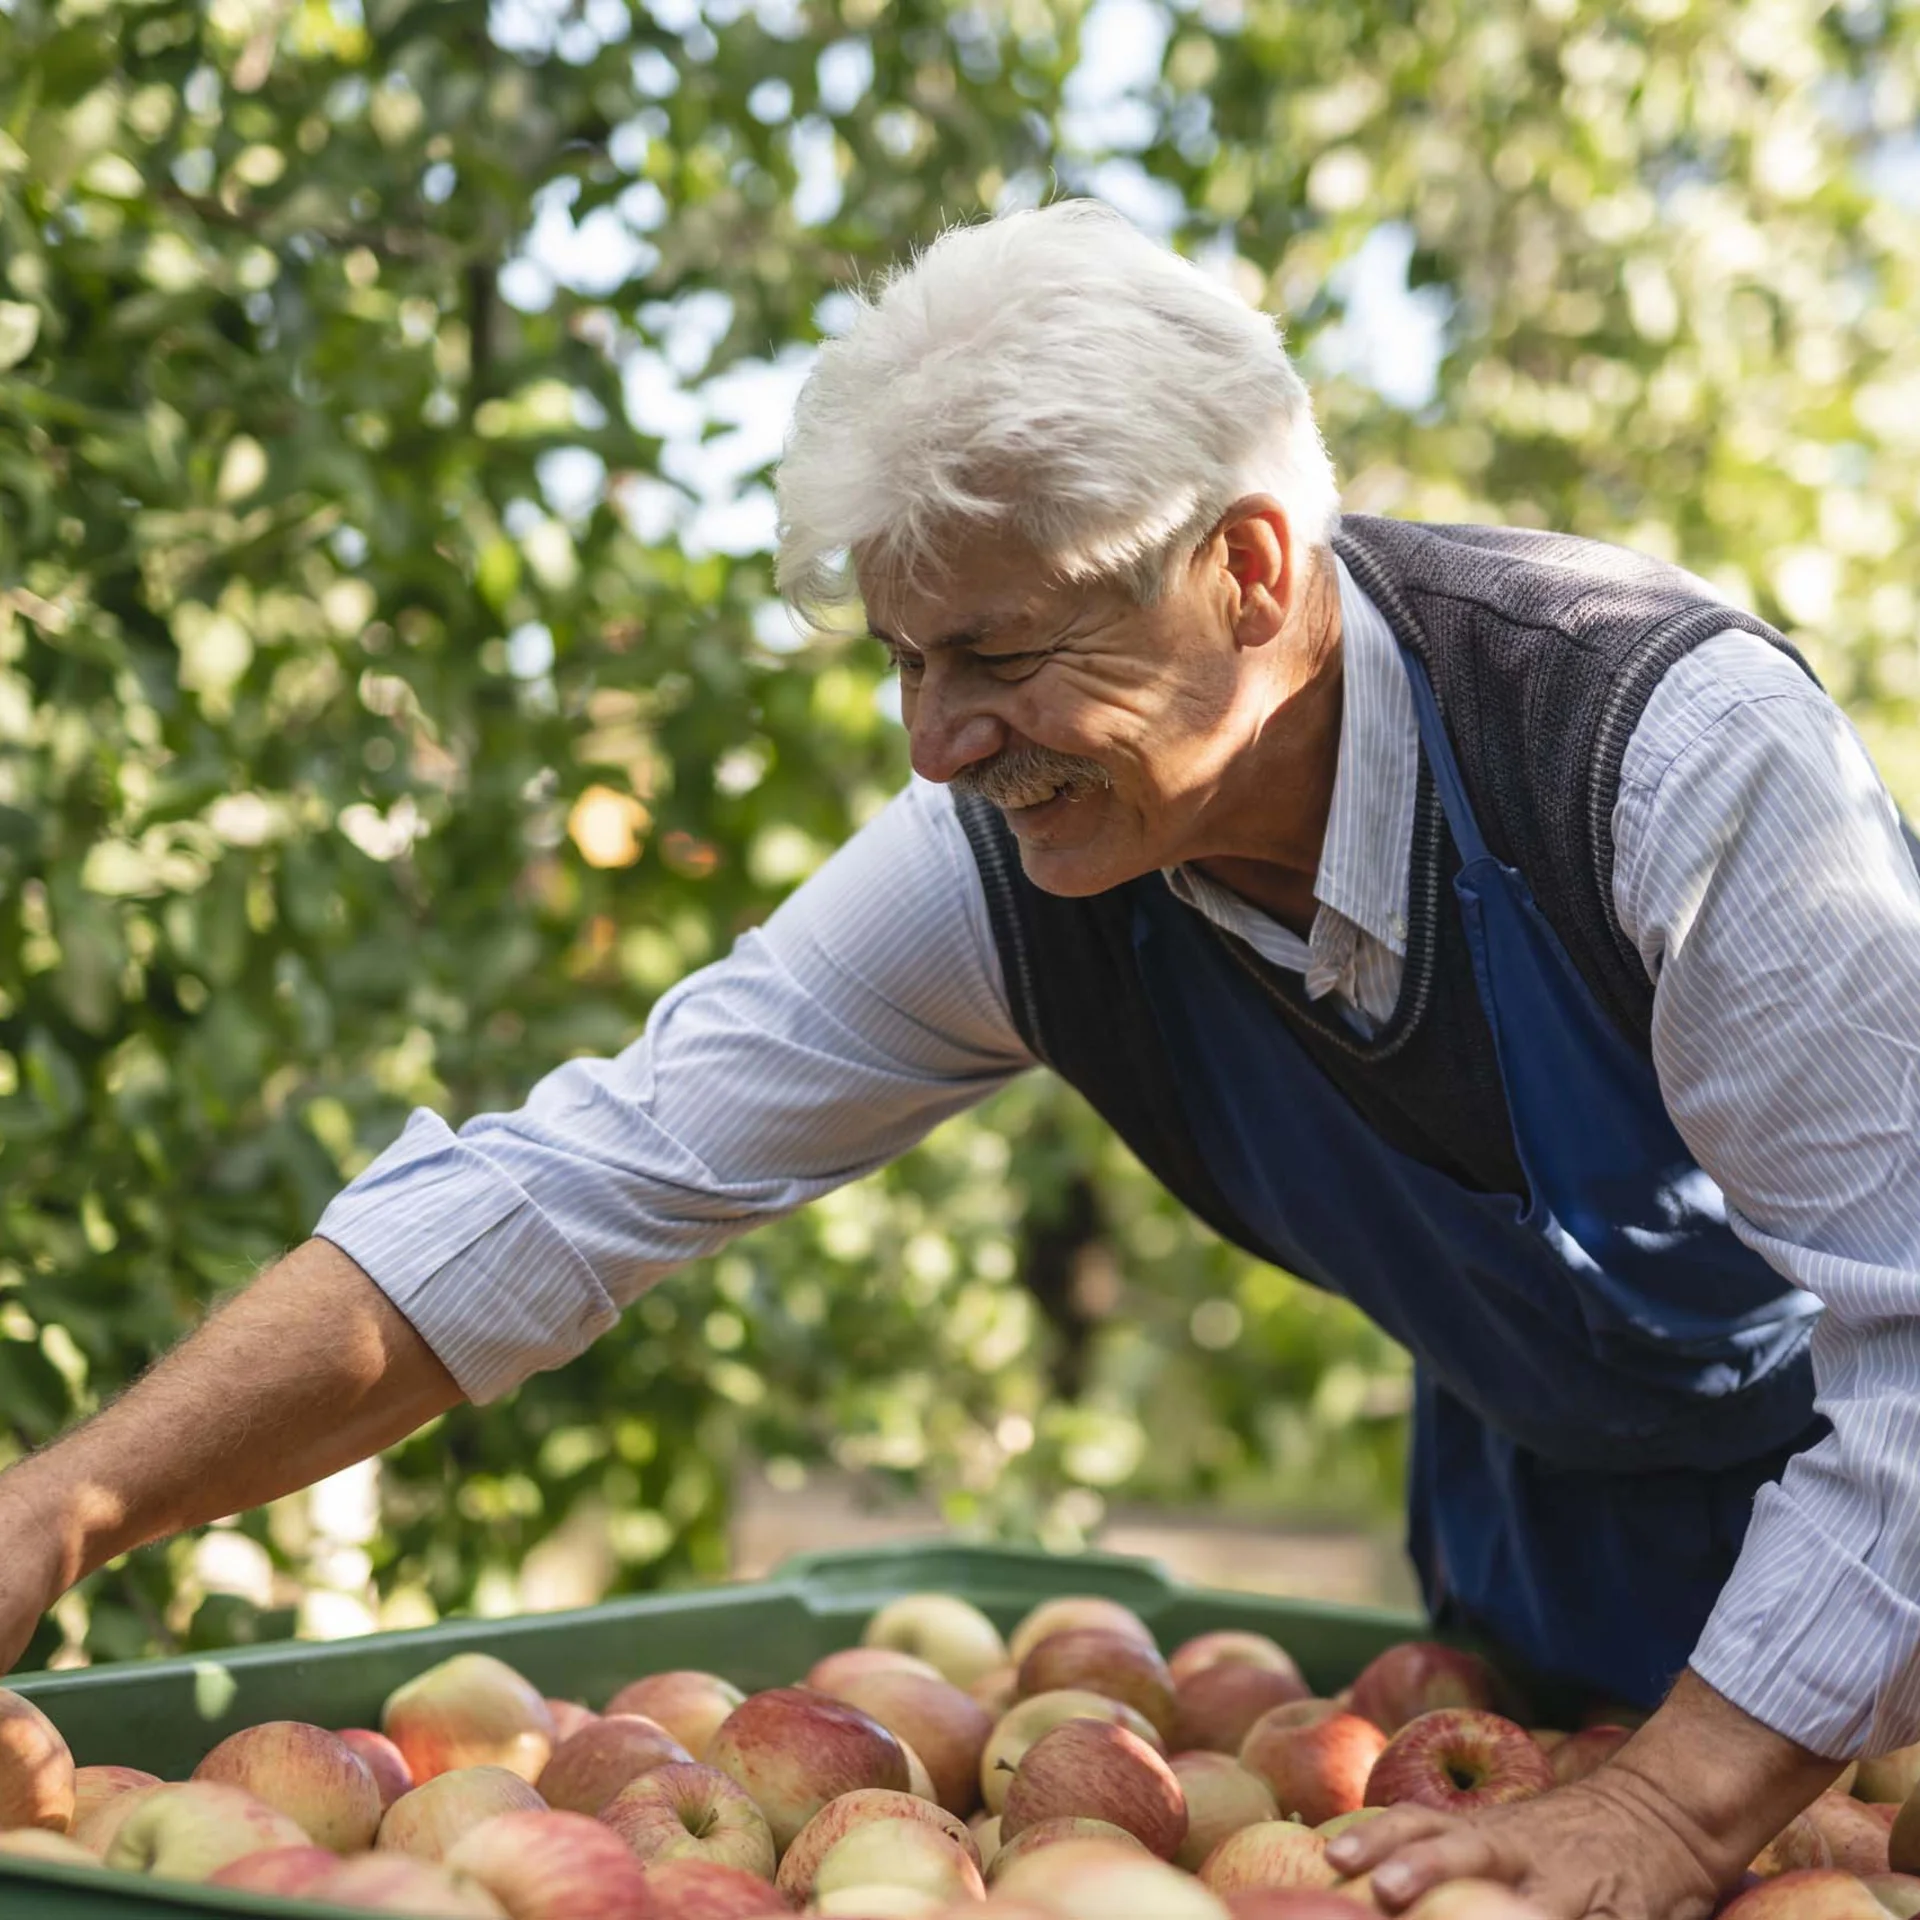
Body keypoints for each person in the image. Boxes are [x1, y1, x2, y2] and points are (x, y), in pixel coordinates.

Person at [4, 201, 1918, 1917]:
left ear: (1248, 571)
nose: (937, 742)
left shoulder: (1665, 760)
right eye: (904, 661)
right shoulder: (1014, 877)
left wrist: (1675, 1812)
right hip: (1536, 1561)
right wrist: (58, 1508)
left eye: (996, 655)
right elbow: (566, 1191)